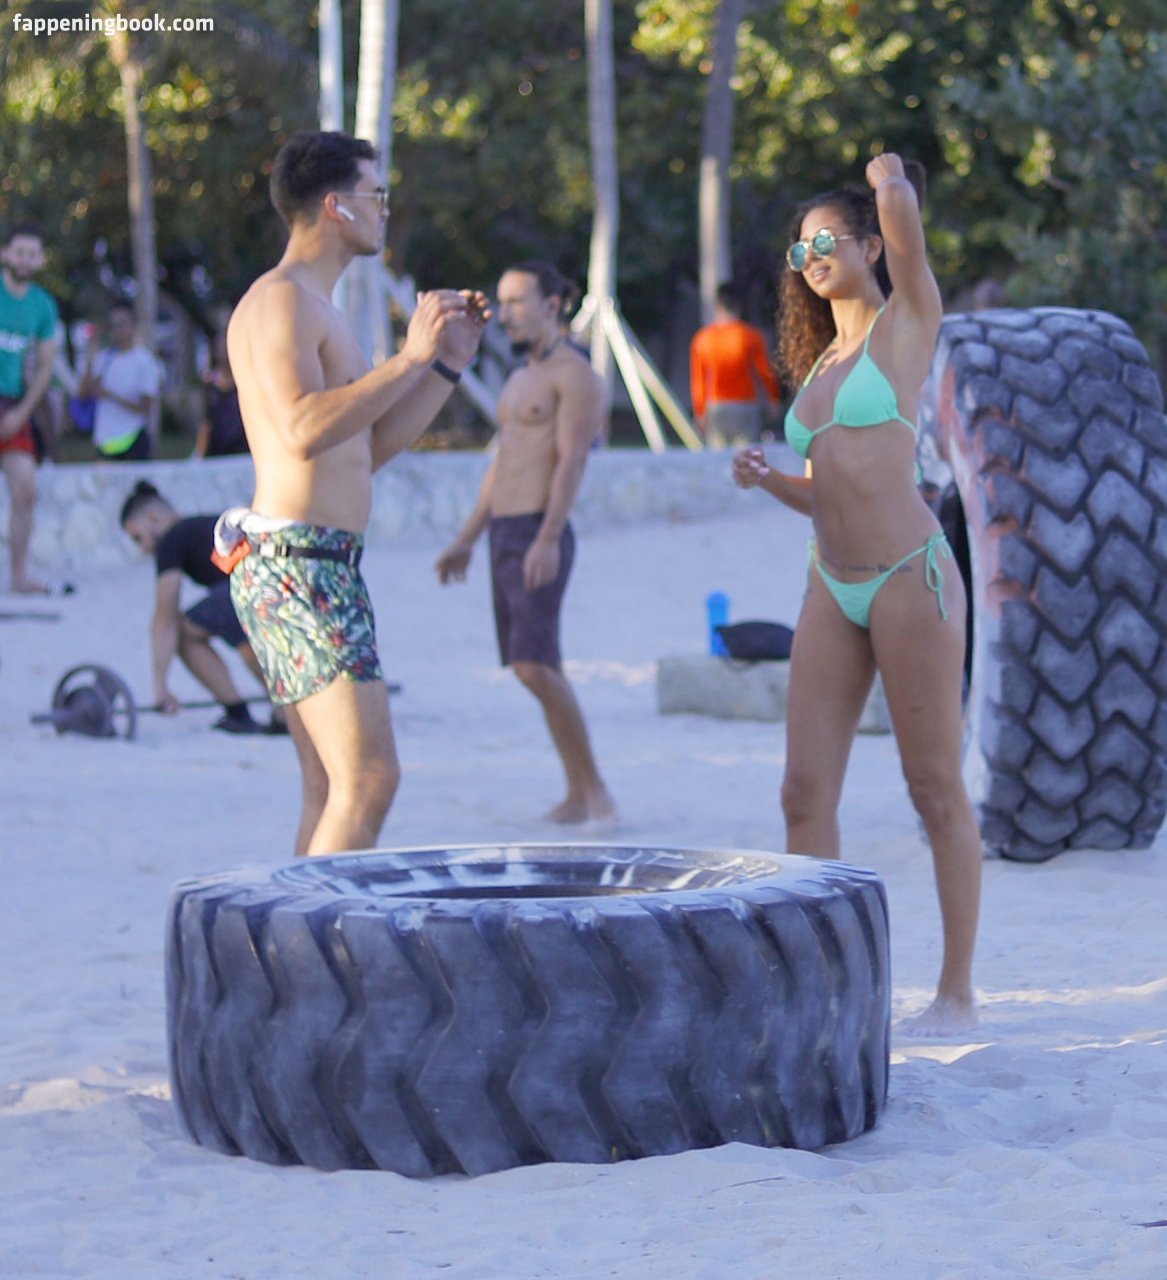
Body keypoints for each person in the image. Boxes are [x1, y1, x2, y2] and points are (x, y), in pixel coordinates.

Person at [732, 154, 981, 1036]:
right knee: (802, 793)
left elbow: (910, 243)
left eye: (827, 242)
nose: (811, 259)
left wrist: (890, 186)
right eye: (799, 250)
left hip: (909, 577)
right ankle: (817, 985)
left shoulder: (904, 324)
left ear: (868, 247)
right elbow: (827, 490)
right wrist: (768, 479)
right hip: (829, 583)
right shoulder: (822, 363)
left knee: (933, 788)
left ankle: (955, 991)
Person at [221, 129, 488, 858]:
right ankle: (313, 933)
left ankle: (290, 930)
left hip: (315, 562)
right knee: (370, 781)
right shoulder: (281, 303)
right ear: (336, 206)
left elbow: (362, 452)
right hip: (299, 565)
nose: (385, 209)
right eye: (378, 194)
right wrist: (408, 356)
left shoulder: (318, 306)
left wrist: (443, 366)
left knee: (329, 787)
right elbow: (300, 429)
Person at [435, 260, 616, 826]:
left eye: (517, 301)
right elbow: (504, 463)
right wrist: (468, 537)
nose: (505, 313)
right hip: (505, 530)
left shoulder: (576, 376)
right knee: (528, 664)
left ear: (552, 305)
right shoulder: (518, 380)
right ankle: (579, 792)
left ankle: (596, 793)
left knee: (536, 664)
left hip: (541, 527)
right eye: (503, 300)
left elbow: (572, 460)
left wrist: (549, 536)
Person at [120, 481, 283, 734]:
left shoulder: (171, 540)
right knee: (240, 628)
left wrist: (160, 687)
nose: (142, 548)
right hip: (275, 579)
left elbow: (165, 617)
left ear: (153, 517)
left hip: (246, 584)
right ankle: (286, 710)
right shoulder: (200, 526)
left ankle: (240, 712)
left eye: (137, 537)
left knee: (186, 632)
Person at [0, 223, 59, 593]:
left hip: (12, 405)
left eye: (32, 254)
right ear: (5, 253)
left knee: (26, 490)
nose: (25, 259)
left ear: (39, 260)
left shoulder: (43, 305)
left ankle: (19, 576)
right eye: (19, 252)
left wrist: (21, 413)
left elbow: (46, 367)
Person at [689, 282, 782, 448]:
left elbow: (699, 380)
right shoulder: (750, 336)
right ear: (739, 306)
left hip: (717, 405)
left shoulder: (703, 339)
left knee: (718, 458)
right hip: (745, 405)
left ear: (717, 306)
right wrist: (773, 398)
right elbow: (764, 371)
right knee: (746, 457)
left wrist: (700, 411)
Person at [79, 300, 162, 461]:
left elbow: (147, 407)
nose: (117, 330)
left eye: (121, 324)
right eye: (113, 325)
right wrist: (89, 358)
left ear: (133, 325)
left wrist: (111, 396)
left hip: (133, 440)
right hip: (105, 442)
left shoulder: (144, 360)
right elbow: (83, 395)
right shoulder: (103, 358)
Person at [191, 331, 249, 458]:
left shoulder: (245, 382)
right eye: (221, 346)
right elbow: (205, 422)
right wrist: (198, 455)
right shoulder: (209, 385)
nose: (224, 351)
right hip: (216, 453)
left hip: (241, 452)